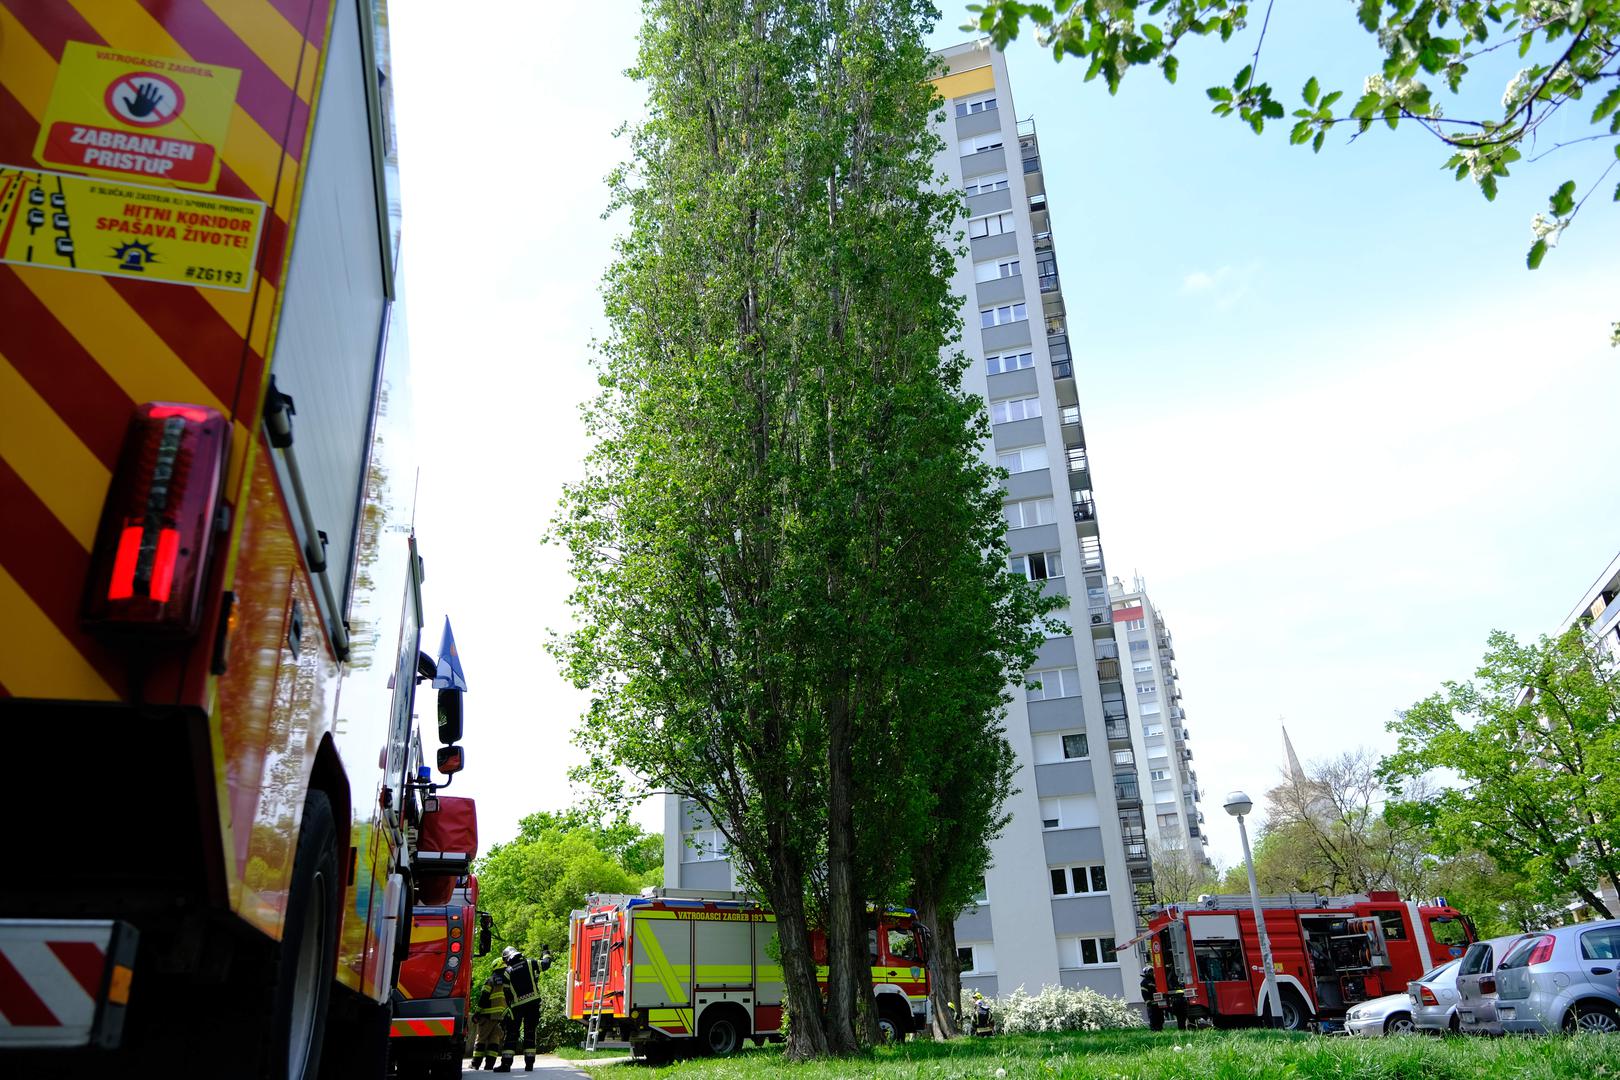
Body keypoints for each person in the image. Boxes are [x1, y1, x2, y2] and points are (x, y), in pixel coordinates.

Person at [501, 945, 546, 1071]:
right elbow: (546, 964)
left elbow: (507, 993)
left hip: (516, 1007)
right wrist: (546, 952)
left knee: (512, 1034)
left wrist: (509, 1007)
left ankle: (506, 1064)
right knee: (530, 1032)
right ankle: (529, 1064)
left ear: (507, 959)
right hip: (533, 1005)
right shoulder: (530, 963)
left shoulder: (507, 972)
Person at [470, 968, 514, 1071]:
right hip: (501, 1017)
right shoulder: (508, 982)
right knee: (494, 1041)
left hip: (487, 1016)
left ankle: (475, 1064)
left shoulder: (490, 980)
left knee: (481, 1039)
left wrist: (477, 1012)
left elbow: (484, 997)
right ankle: (489, 1065)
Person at [1142, 966, 1166, 1031]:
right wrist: (1148, 1002)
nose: (1152, 972)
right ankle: (1154, 1030)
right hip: (1152, 1004)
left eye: (1152, 971)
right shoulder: (1144, 982)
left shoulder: (1155, 980)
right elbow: (1144, 993)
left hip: (1158, 1003)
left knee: (1160, 1017)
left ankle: (1159, 1029)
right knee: (1153, 1017)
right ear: (1146, 973)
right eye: (1150, 971)